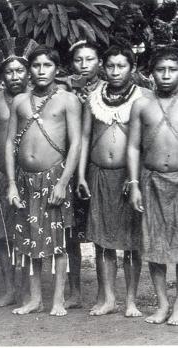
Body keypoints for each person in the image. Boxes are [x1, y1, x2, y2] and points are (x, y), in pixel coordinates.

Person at [6, 46, 81, 316]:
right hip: (25, 181)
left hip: (54, 176)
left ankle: (58, 299)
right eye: (36, 65)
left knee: (58, 241)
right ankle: (35, 299)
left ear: (57, 69)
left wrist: (62, 183)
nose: (41, 70)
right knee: (29, 241)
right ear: (29, 70)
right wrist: (12, 183)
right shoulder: (19, 102)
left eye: (47, 65)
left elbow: (76, 144)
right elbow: (8, 143)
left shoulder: (67, 100)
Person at [78, 45, 149, 317]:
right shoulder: (93, 98)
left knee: (132, 241)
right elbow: (84, 137)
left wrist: (136, 180)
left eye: (122, 66)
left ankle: (130, 300)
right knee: (101, 241)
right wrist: (82, 174)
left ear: (132, 68)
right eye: (110, 66)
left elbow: (147, 142)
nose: (116, 71)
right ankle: (108, 298)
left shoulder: (143, 98)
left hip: (129, 178)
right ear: (102, 68)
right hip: (98, 175)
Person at [0, 36, 37, 308]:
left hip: (29, 172)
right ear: (2, 75)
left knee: (27, 232)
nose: (15, 76)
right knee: (3, 234)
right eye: (9, 71)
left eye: (20, 70)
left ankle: (28, 291)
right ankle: (9, 290)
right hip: (2, 173)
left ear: (28, 73)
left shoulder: (35, 100)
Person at [127, 47, 178, 325]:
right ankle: (162, 304)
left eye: (172, 69)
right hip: (151, 181)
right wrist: (134, 184)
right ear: (151, 73)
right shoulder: (142, 104)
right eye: (161, 69)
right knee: (153, 246)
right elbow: (133, 147)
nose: (167, 75)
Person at [65, 40, 104, 309]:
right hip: (70, 165)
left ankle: (105, 293)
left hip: (98, 166)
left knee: (101, 232)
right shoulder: (65, 90)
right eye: (79, 60)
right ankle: (75, 291)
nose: (84, 65)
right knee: (71, 235)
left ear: (99, 62)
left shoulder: (108, 90)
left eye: (89, 59)